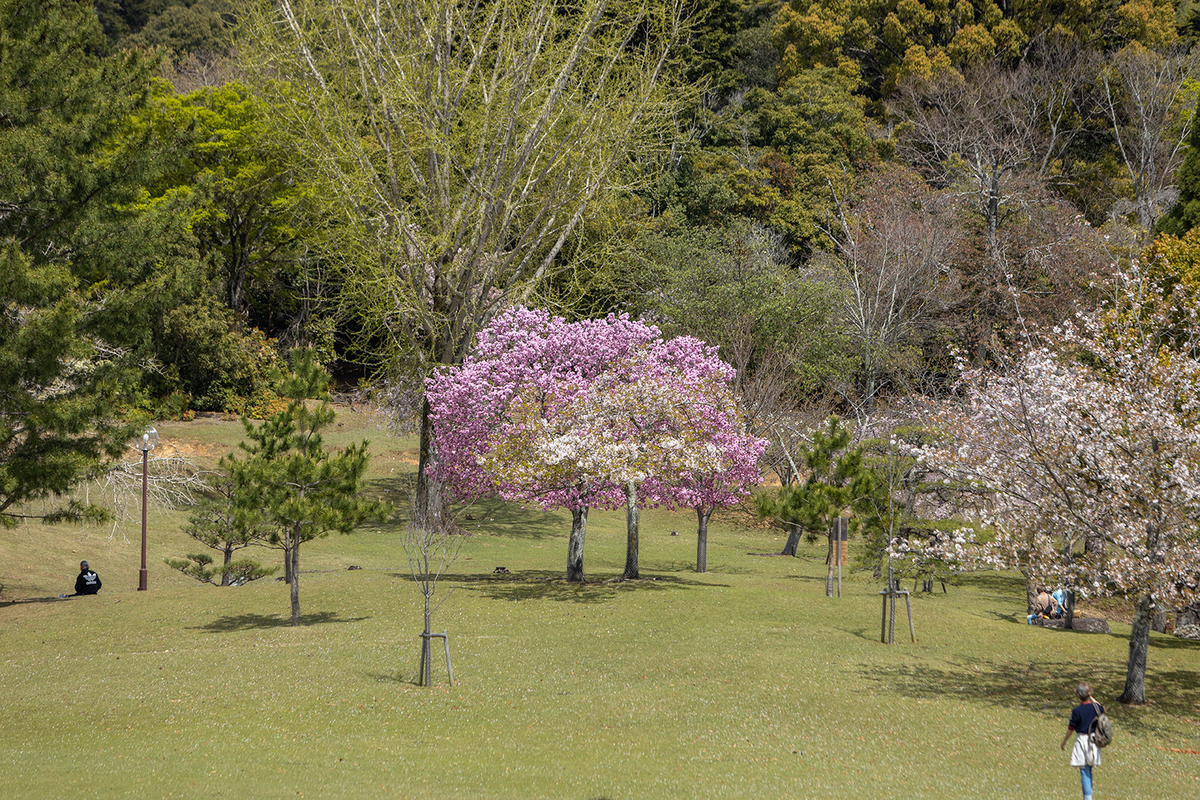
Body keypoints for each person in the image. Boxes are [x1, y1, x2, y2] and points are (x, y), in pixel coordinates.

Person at [1060, 682, 1103, 800]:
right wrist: (1091, 698)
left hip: (1082, 741)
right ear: (1089, 694)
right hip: (1094, 741)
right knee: (1089, 769)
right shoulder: (1096, 708)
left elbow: (1071, 728)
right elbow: (1101, 707)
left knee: (1084, 771)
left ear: (1078, 696)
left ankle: (1087, 798)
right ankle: (1089, 796)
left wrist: (1064, 741)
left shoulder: (1077, 711)